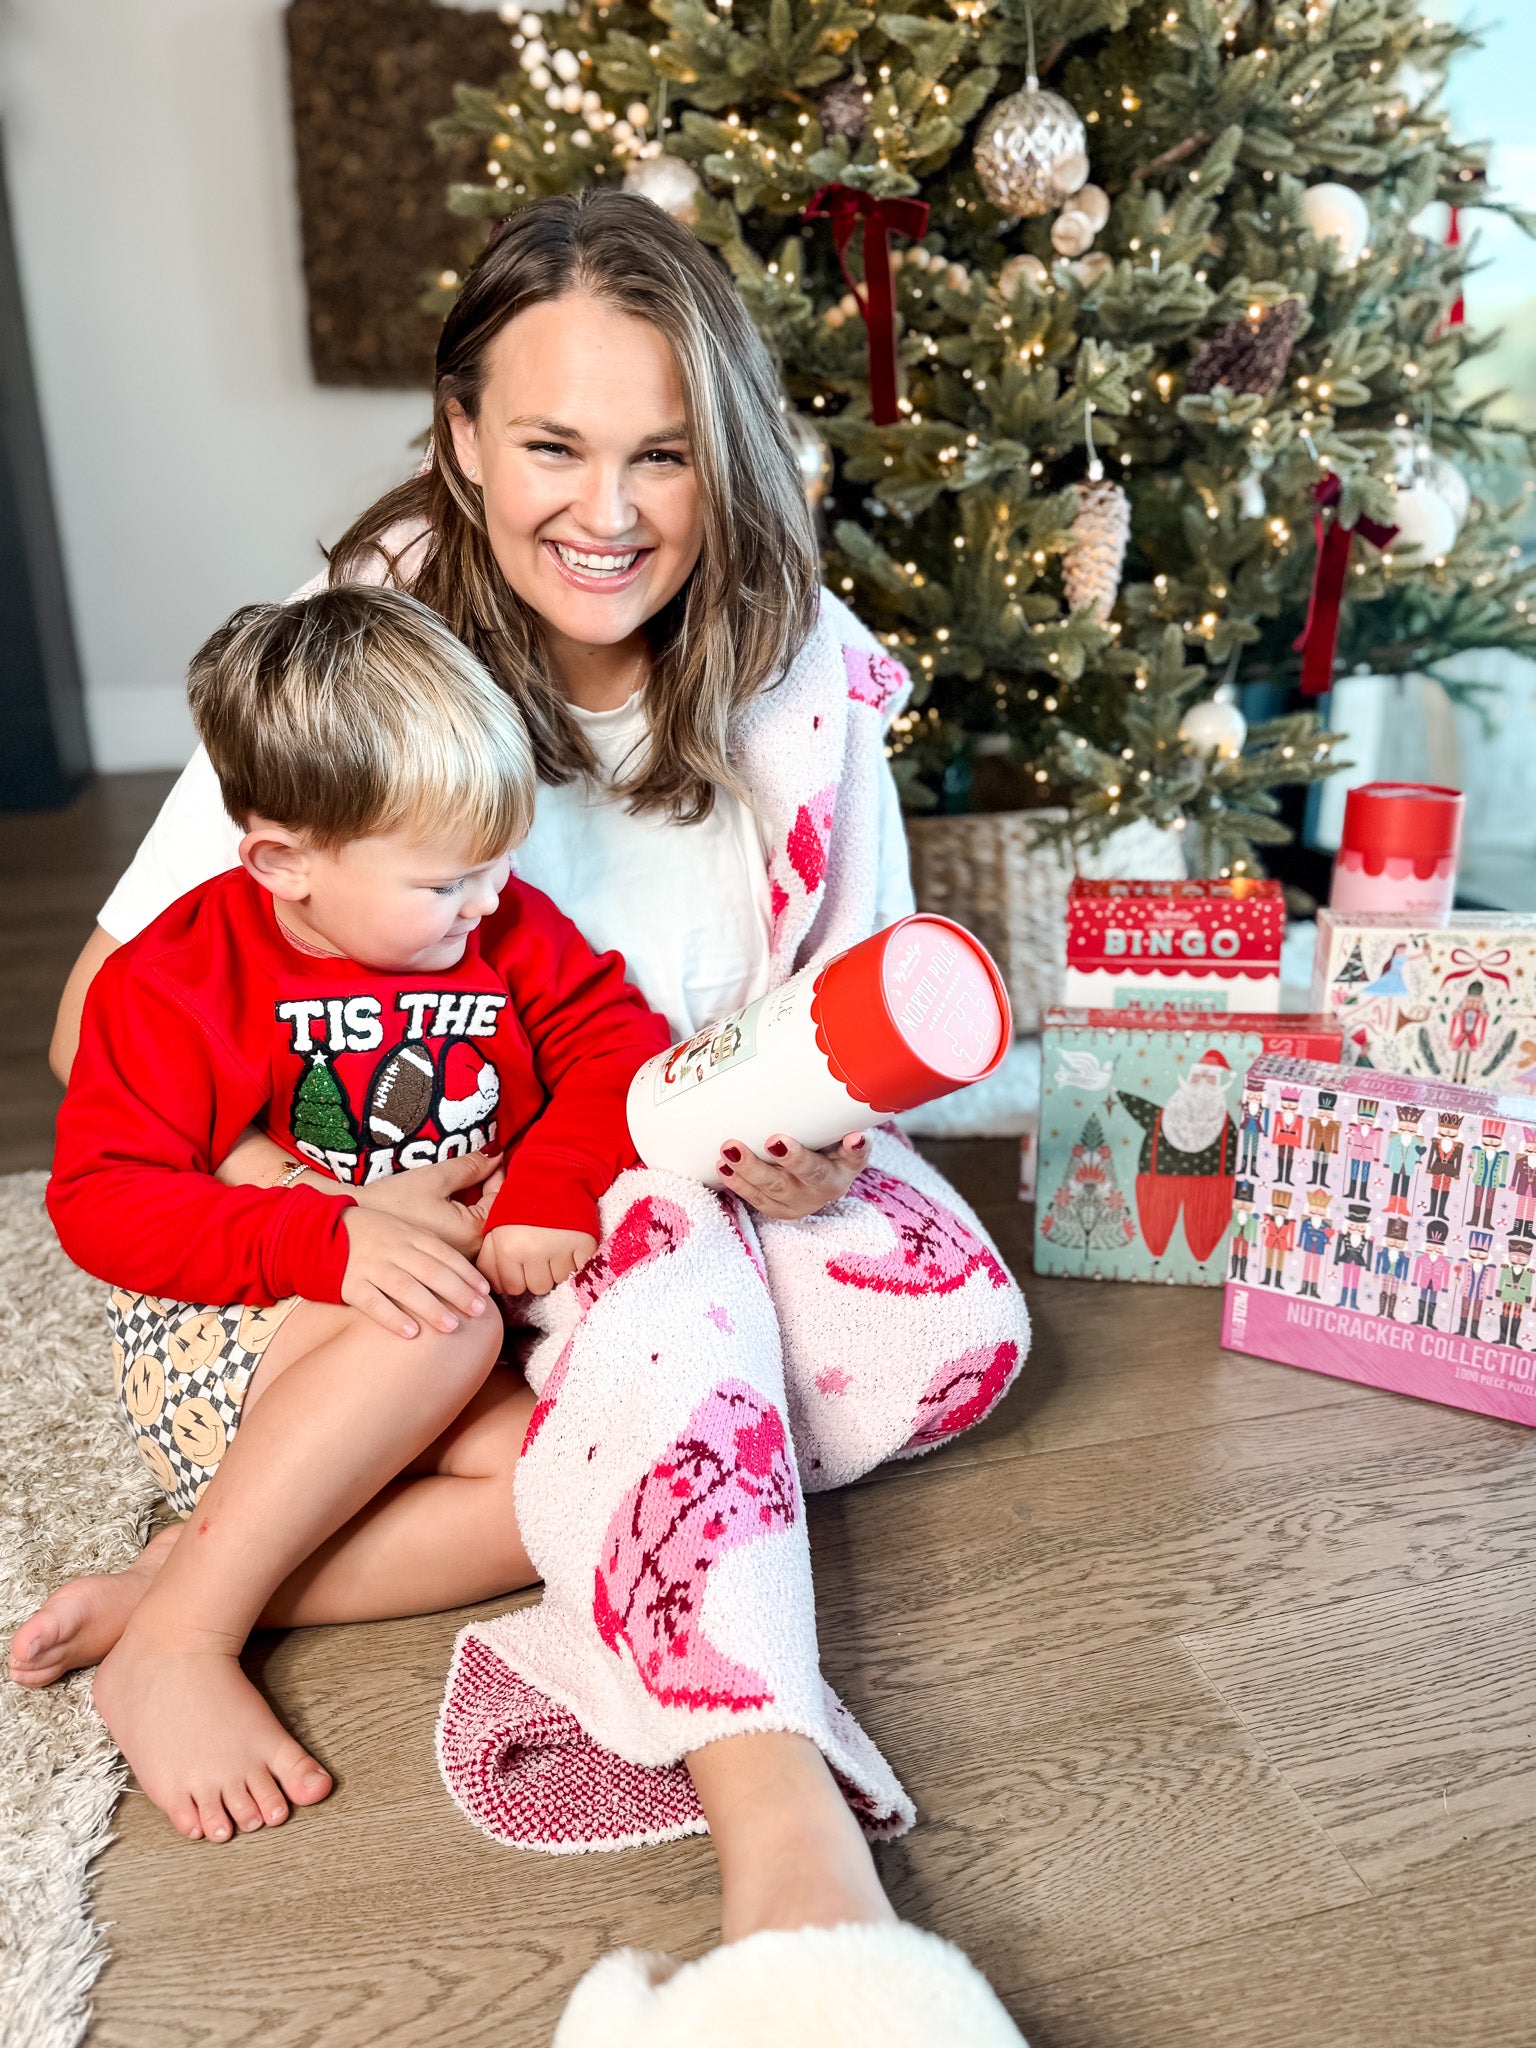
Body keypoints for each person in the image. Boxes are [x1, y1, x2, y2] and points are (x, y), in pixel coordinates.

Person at [16, 190, 1029, 1969]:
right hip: (423, 1246)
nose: (610, 511)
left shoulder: (799, 674)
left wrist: (811, 1139)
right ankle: (778, 1813)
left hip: (617, 1190)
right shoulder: (379, 653)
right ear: (461, 433)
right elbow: (98, 1034)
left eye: (665, 454)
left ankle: (208, 1580)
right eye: (552, 442)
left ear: (726, 454)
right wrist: (325, 1215)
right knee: (675, 1282)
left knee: (950, 1335)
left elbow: (814, 1031)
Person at [36, 584, 671, 1843]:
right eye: (447, 883)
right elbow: (99, 1199)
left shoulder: (498, 929)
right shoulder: (181, 981)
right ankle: (187, 1646)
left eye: (498, 866)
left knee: (563, 1490)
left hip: (415, 1328)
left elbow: (615, 1045)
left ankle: (179, 1590)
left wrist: (548, 1186)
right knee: (445, 1326)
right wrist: (323, 1236)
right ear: (285, 863)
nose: (488, 904)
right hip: (233, 1327)